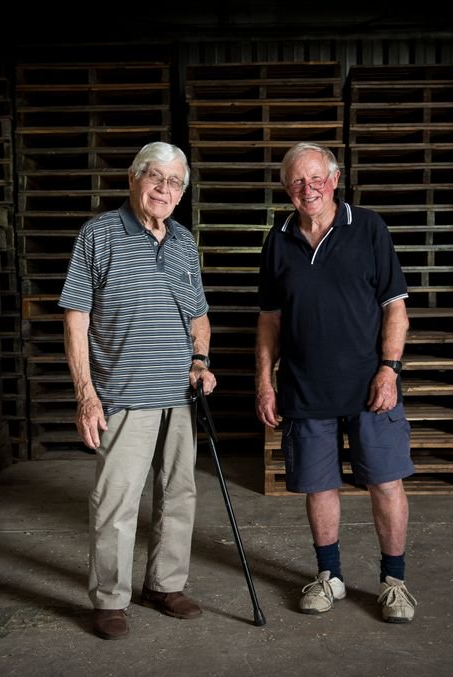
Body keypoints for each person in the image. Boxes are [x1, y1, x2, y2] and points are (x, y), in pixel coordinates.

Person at [59, 141, 217, 640]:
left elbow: (199, 316)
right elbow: (75, 317)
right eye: (156, 178)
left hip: (177, 394)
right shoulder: (99, 234)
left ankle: (165, 585)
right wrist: (86, 393)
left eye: (174, 184)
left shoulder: (183, 243)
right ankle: (109, 598)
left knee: (179, 494)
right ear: (134, 177)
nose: (164, 189)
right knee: (117, 501)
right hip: (124, 393)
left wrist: (200, 360)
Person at [255, 142, 417, 624]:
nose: (309, 189)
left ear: (334, 178)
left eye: (316, 178)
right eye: (298, 182)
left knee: (385, 483)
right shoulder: (277, 239)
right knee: (318, 486)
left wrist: (389, 369)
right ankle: (329, 577)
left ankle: (394, 581)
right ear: (287, 189)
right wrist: (265, 382)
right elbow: (269, 320)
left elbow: (396, 309)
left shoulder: (368, 227)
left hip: (371, 388)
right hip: (305, 388)